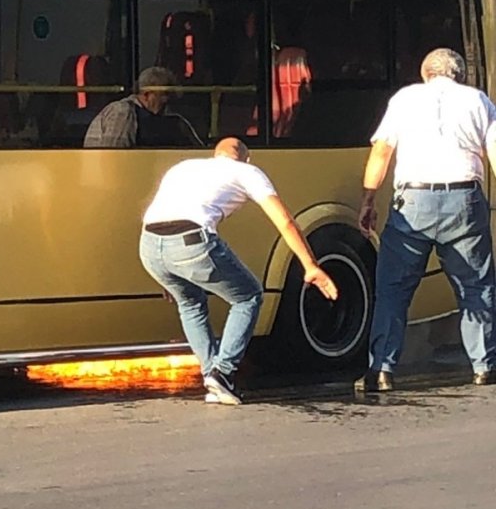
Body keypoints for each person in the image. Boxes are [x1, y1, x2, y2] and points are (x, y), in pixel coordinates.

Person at [140, 138, 338, 405]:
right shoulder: (247, 172)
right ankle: (223, 372)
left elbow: (163, 215)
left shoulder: (183, 167)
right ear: (247, 157)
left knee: (190, 303)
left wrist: (169, 272)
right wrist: (310, 265)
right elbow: (285, 222)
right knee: (248, 296)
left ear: (215, 155)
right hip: (190, 241)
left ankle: (213, 375)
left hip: (150, 247)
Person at [358, 47, 496, 392]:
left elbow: (382, 151)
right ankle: (484, 367)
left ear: (425, 73)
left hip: (413, 202)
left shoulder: (405, 99)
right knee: (476, 286)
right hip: (464, 198)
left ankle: (382, 370)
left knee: (393, 289)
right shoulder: (478, 100)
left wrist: (369, 199)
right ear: (459, 74)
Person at [84, 66, 202, 148]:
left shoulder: (175, 121)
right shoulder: (123, 112)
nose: (167, 100)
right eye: (163, 95)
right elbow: (113, 155)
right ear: (146, 95)